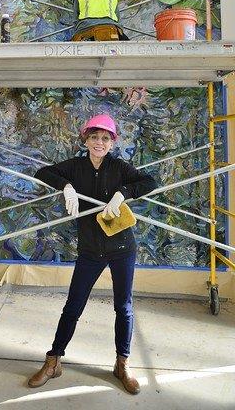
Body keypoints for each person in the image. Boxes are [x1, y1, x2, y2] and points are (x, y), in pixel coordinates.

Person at [28, 114, 156, 394]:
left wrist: (123, 193)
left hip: (122, 248)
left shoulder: (119, 167)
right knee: (73, 306)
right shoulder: (75, 167)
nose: (99, 142)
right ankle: (53, 361)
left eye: (105, 138)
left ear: (112, 143)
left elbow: (150, 182)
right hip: (90, 249)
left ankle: (122, 363)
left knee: (123, 307)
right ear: (85, 139)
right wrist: (67, 186)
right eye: (94, 137)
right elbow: (42, 172)